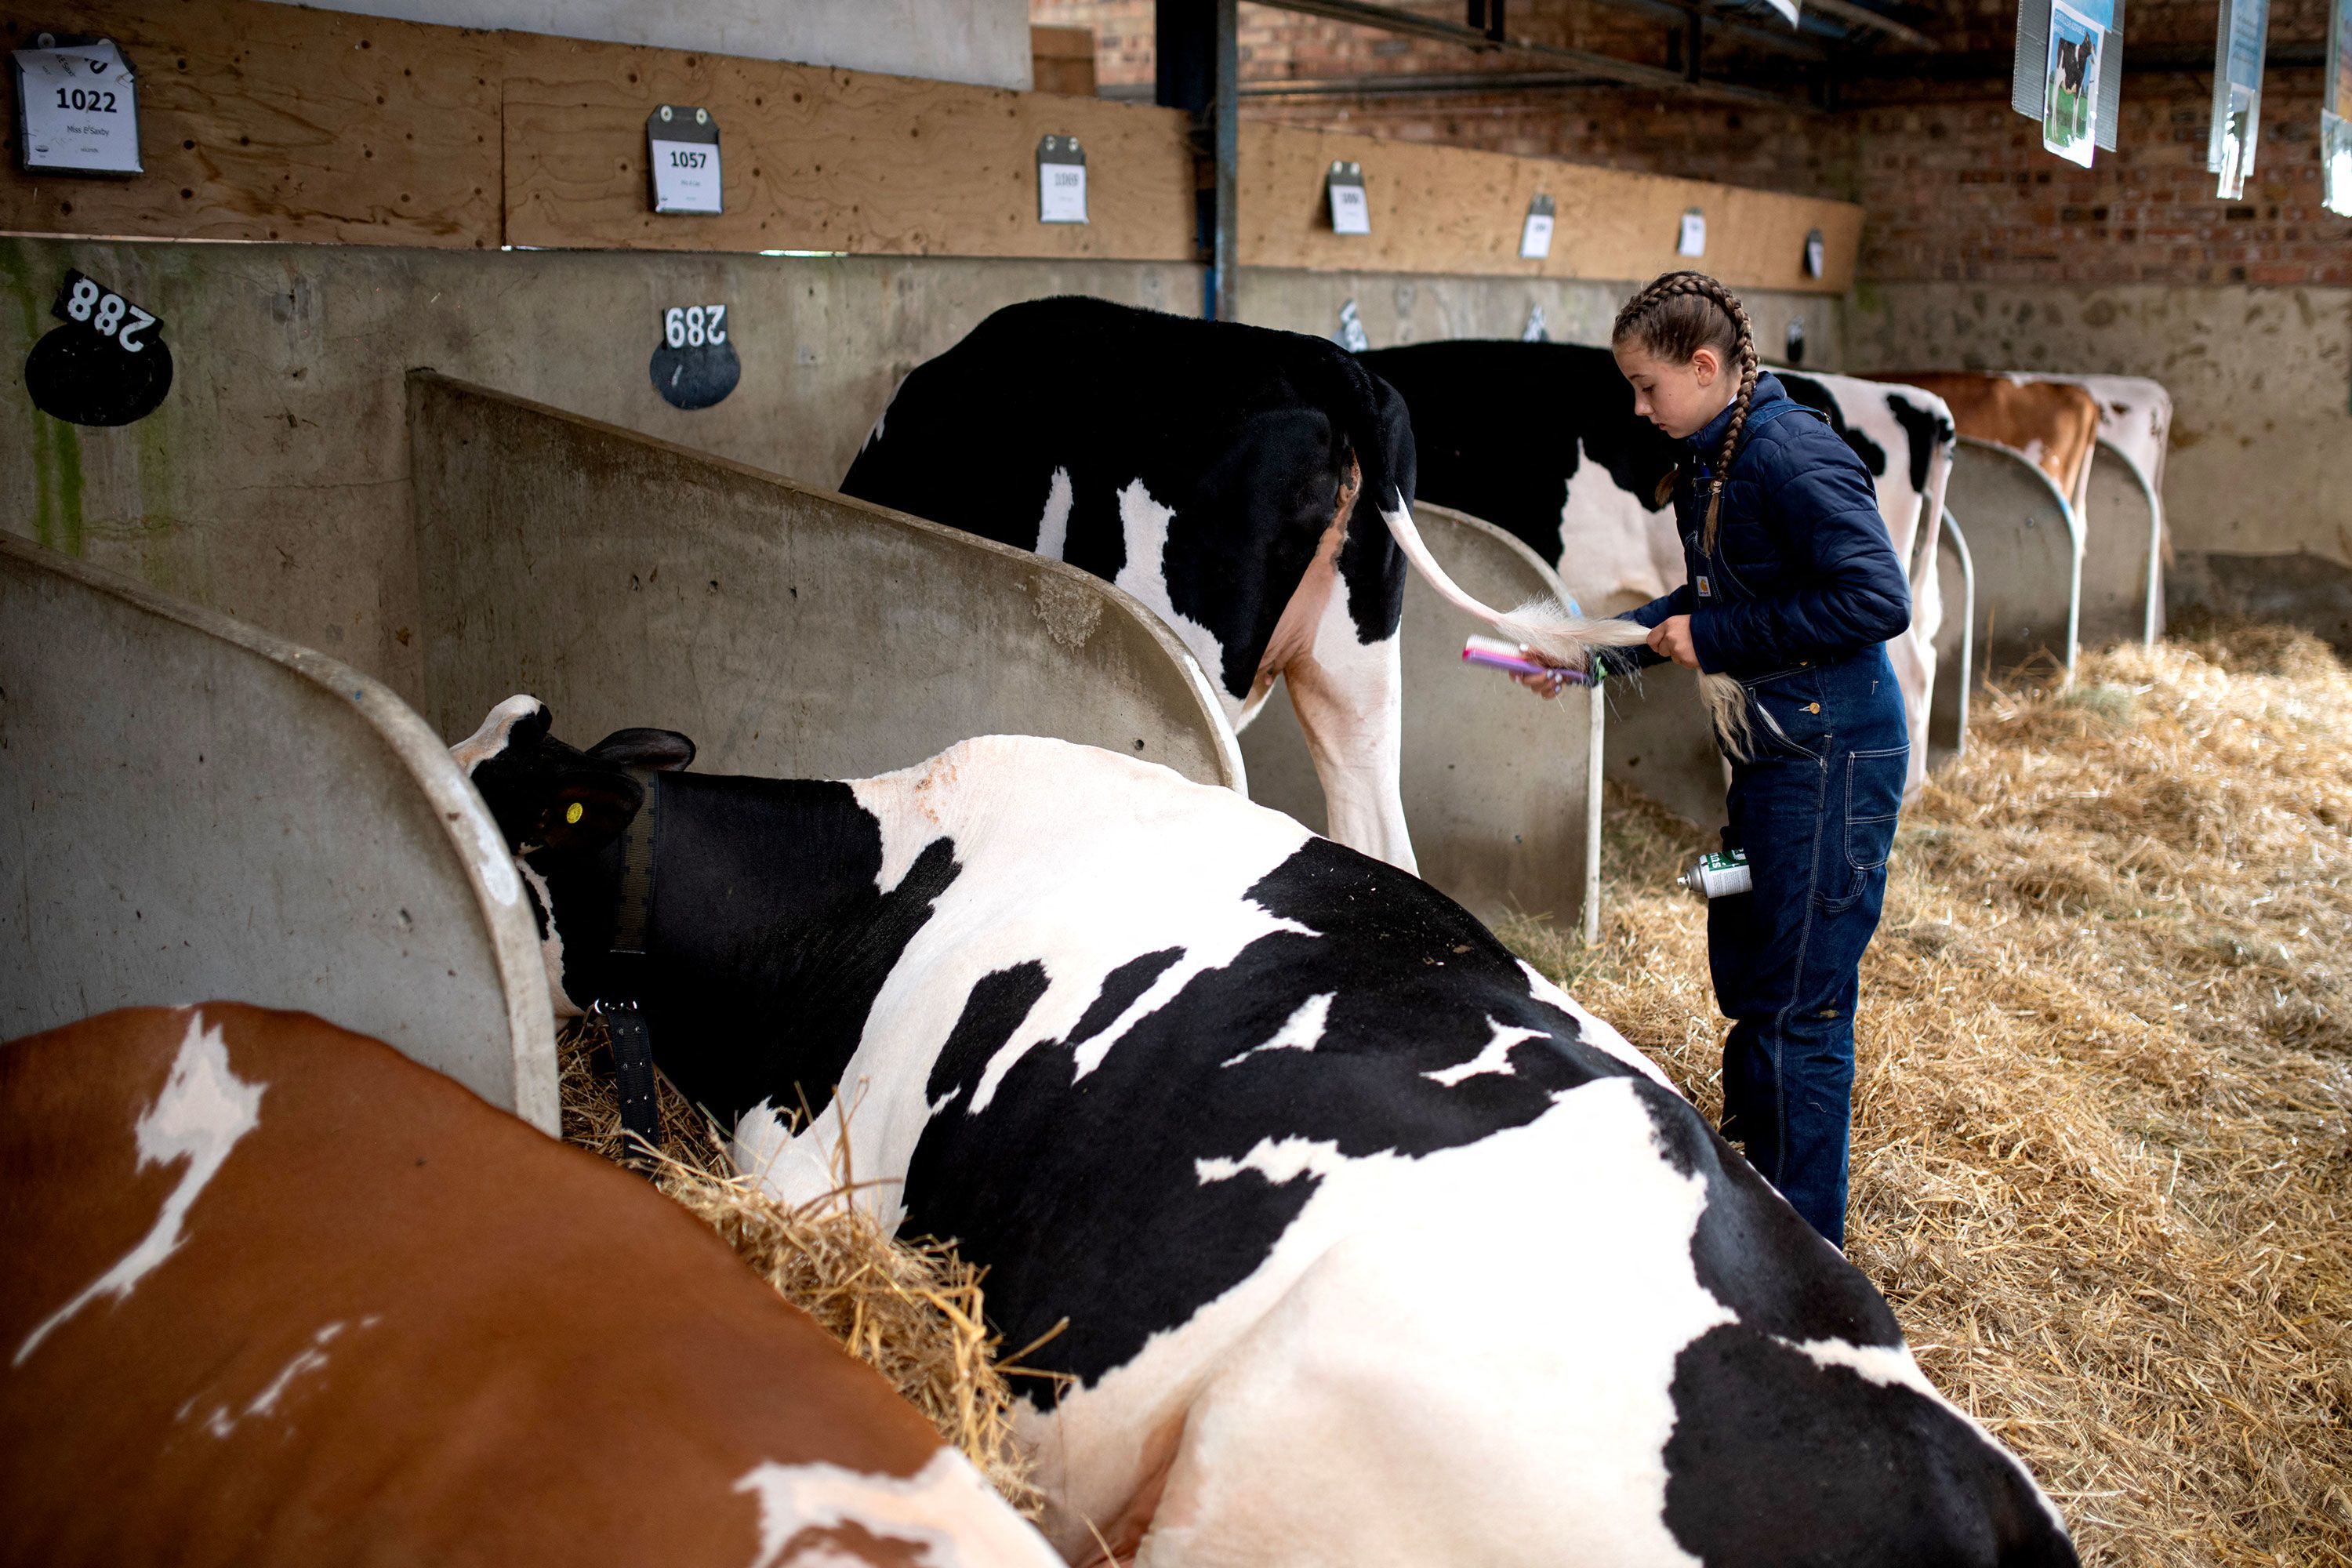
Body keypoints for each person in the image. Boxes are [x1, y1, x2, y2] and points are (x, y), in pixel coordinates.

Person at [1521, 270, 1911, 1249]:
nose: (1638, 408)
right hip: (1769, 758)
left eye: (1649, 387)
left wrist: (1724, 632)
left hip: (1831, 759)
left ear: (1705, 368)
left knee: (1799, 1005)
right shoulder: (1714, 458)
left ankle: (1801, 1248)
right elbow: (1694, 607)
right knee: (1737, 938)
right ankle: (1752, 1189)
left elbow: (1878, 602)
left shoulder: (1791, 454)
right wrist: (1586, 652)